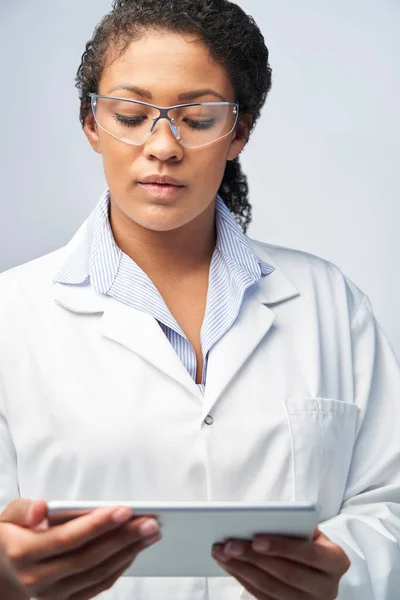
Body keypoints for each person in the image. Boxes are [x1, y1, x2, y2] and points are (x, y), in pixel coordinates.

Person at [0, 0, 399, 598]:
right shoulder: (13, 315)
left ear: (239, 130)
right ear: (91, 124)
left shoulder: (329, 304)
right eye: (132, 115)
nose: (163, 146)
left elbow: (388, 503)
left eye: (199, 117)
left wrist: (347, 568)